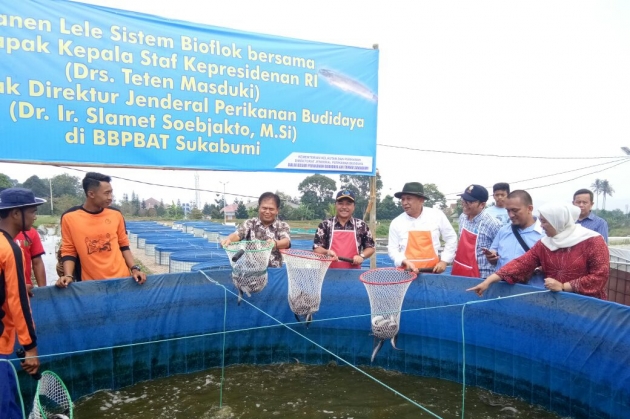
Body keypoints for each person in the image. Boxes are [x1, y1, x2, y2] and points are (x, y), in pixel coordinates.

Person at [467, 202, 609, 300]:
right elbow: (521, 264)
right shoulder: (545, 244)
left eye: (544, 221)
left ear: (558, 221)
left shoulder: (593, 241)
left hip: (587, 306)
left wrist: (563, 287)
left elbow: (600, 276)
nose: (541, 225)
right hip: (556, 302)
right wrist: (488, 281)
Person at [56, 172, 147, 288]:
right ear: (91, 194)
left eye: (111, 192)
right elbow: (69, 250)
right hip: (91, 285)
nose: (110, 197)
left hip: (121, 280)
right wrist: (68, 275)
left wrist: (134, 269)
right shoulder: (69, 217)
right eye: (106, 193)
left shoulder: (116, 214)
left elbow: (124, 245)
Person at [0, 188, 42, 417]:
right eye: (33, 211)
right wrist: (30, 348)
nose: (35, 216)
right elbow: (19, 303)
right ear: (17, 213)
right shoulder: (9, 248)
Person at [388, 182, 457, 273]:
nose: (405, 203)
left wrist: (444, 261)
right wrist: (404, 261)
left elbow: (451, 238)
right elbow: (392, 249)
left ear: (421, 200)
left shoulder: (436, 216)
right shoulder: (397, 222)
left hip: (433, 272)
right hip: (407, 273)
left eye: (409, 199)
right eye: (403, 199)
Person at [485, 190, 545, 287]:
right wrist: (492, 257)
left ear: (529, 208)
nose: (511, 215)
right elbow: (494, 252)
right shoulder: (503, 231)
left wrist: (537, 269)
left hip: (533, 292)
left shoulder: (545, 234)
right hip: (503, 289)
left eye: (515, 210)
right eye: (508, 210)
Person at [221, 192, 291, 267]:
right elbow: (238, 234)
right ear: (259, 208)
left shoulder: (282, 226)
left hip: (273, 272)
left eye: (271, 209)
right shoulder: (250, 223)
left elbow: (286, 242)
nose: (267, 212)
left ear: (277, 210)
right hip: (252, 272)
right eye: (264, 208)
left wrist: (275, 244)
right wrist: (229, 239)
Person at [313, 190, 375, 268]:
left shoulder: (361, 225)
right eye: (340, 203)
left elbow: (371, 247)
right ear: (335, 205)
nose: (344, 207)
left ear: (354, 207)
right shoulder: (325, 225)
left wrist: (361, 256)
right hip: (328, 273)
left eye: (348, 204)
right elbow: (316, 248)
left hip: (353, 274)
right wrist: (327, 252)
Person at [453, 184, 501, 278]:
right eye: (463, 200)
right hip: (461, 272)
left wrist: (494, 257)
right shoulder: (462, 217)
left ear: (482, 205)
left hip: (482, 278)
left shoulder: (493, 224)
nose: (464, 204)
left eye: (469, 202)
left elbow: (501, 252)